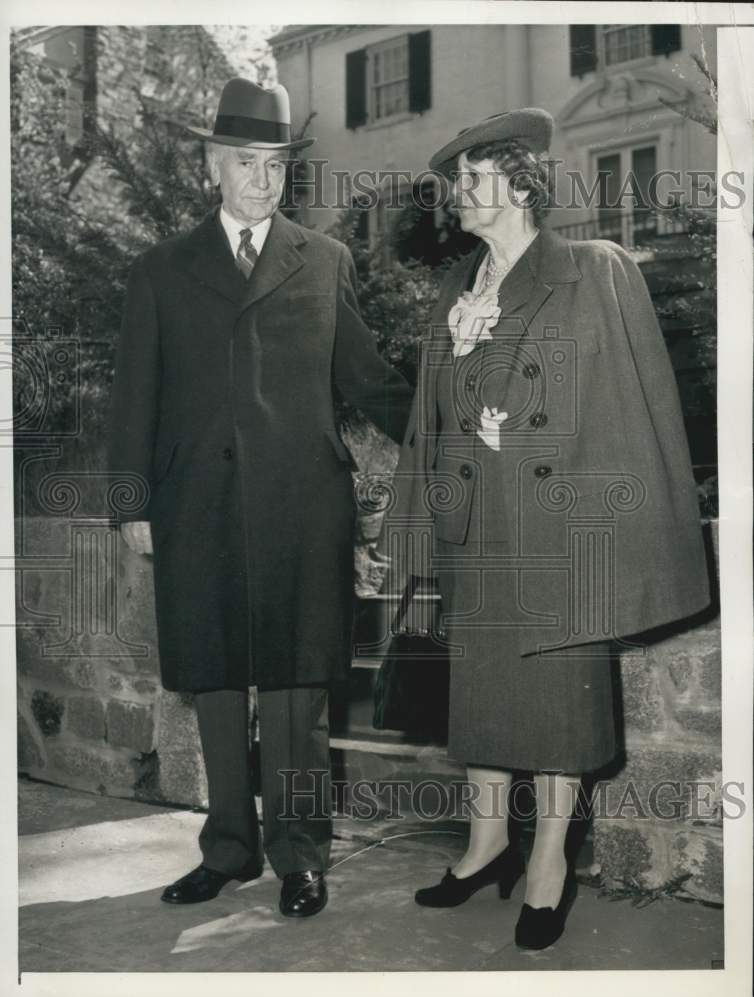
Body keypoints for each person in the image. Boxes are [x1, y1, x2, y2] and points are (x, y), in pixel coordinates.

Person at [383, 108, 710, 949]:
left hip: (559, 534)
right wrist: (412, 528)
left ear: (519, 183)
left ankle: (549, 863)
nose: (455, 194)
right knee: (484, 701)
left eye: (471, 178)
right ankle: (487, 843)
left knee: (560, 710)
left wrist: (522, 428)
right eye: (453, 182)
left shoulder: (593, 269)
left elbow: (632, 411)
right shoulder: (458, 288)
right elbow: (428, 419)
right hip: (473, 530)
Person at [108, 78, 413, 918]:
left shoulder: (324, 261)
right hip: (194, 507)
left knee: (296, 690)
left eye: (275, 166)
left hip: (304, 507)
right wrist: (132, 503)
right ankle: (229, 848)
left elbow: (368, 381)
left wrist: (451, 417)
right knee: (214, 684)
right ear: (214, 166)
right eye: (245, 162)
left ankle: (298, 856)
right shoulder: (161, 270)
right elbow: (134, 395)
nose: (262, 180)